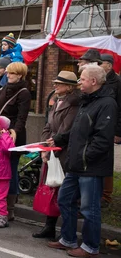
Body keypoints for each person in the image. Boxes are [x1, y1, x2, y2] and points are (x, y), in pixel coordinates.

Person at [47, 65, 117, 258]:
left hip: (91, 167)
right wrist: (61, 138)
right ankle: (68, 238)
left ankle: (90, 246)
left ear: (93, 81)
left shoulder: (106, 104)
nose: (79, 82)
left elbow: (102, 138)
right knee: (65, 199)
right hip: (76, 164)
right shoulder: (86, 101)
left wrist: (85, 158)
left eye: (82, 79)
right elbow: (79, 130)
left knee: (89, 208)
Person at [33, 71, 82, 239]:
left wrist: (51, 146)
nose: (55, 86)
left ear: (69, 87)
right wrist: (44, 145)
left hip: (63, 151)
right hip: (52, 149)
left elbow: (65, 129)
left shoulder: (74, 104)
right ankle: (49, 225)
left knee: (61, 189)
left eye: (58, 84)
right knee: (50, 186)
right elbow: (48, 125)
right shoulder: (58, 101)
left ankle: (66, 232)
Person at [0, 62, 32, 221]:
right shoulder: (4, 88)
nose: (8, 75)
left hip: (13, 137)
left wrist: (12, 132)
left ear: (20, 75)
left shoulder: (24, 93)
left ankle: (10, 207)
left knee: (10, 171)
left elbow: (22, 117)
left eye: (12, 73)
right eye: (8, 73)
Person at [100, 53, 121, 206]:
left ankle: (106, 195)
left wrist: (118, 132)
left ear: (108, 65)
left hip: (111, 125)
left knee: (107, 159)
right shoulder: (99, 80)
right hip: (98, 124)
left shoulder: (118, 82)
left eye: (101, 63)